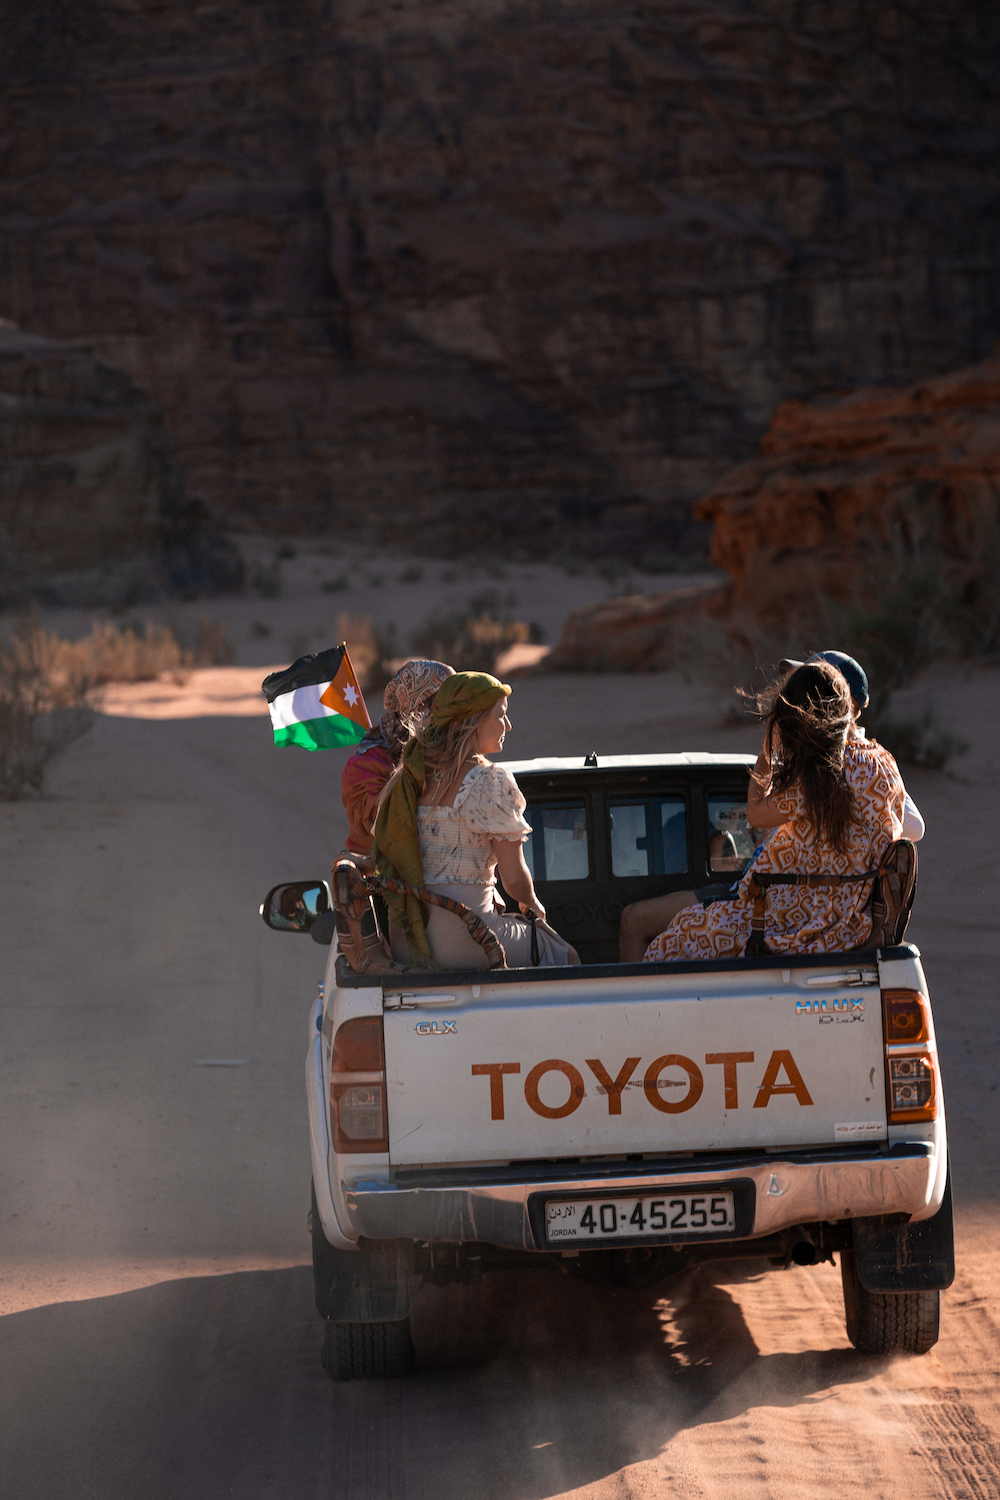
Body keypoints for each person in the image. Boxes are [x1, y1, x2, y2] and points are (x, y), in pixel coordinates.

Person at [617, 647, 923, 962]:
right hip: (851, 917)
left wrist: (768, 747)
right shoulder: (884, 761)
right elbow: (908, 827)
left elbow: (756, 813)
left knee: (676, 938)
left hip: (799, 918)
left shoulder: (819, 773)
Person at [372, 671, 581, 969]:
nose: (508, 725)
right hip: (466, 938)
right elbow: (514, 880)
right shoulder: (488, 782)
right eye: (501, 715)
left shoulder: (407, 779)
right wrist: (532, 903)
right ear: (473, 719)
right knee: (566, 956)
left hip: (410, 942)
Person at [340, 659, 454, 863]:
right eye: (447, 703)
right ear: (419, 706)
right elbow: (385, 825)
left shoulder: (454, 752)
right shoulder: (364, 765)